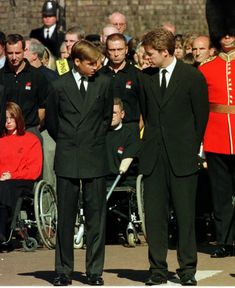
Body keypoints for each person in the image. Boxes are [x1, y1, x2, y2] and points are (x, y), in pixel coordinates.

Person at [138, 27, 209, 285]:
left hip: (182, 157)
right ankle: (157, 270)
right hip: (154, 157)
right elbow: (146, 113)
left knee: (185, 216)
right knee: (155, 218)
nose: (147, 58)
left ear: (165, 52)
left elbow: (201, 118)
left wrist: (193, 151)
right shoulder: (145, 78)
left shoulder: (192, 77)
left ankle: (187, 270)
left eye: (151, 54)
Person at [46, 40, 113, 286]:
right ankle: (63, 270)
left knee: (97, 216)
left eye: (97, 62)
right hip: (68, 156)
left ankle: (94, 271)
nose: (96, 67)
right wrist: (68, 141)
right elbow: (52, 123)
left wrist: (91, 140)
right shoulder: (59, 86)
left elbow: (106, 118)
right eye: (91, 63)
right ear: (76, 62)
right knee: (65, 216)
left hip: (94, 155)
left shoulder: (104, 83)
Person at [198, 0, 235, 258]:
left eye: (230, 31)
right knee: (220, 195)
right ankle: (225, 240)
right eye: (223, 32)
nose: (227, 37)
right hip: (216, 138)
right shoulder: (206, 69)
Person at [0, 102, 42, 244]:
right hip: (3, 180)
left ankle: (2, 232)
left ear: (18, 118)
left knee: (5, 188)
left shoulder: (31, 140)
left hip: (22, 180)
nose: (9, 121)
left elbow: (34, 170)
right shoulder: (1, 141)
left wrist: (13, 175)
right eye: (5, 118)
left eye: (12, 117)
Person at [0, 34, 49, 140]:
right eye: (10, 53)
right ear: (5, 52)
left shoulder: (37, 76)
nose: (13, 57)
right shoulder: (1, 76)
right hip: (4, 132)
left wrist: (35, 126)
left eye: (17, 53)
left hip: (29, 130)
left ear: (24, 51)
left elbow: (43, 106)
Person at [100, 33, 142, 132]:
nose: (116, 54)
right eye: (112, 50)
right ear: (107, 51)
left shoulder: (137, 75)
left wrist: (137, 130)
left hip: (131, 130)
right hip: (105, 131)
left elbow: (146, 108)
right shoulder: (99, 76)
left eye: (119, 49)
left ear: (126, 50)